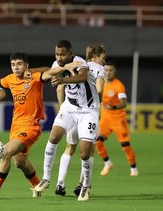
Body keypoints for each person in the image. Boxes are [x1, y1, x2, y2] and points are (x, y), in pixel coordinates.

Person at [0, 51, 81, 200]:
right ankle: (38, 185)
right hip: (16, 126)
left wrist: (65, 67)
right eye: (13, 64)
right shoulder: (10, 79)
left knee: (6, 152)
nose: (16, 67)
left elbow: (49, 71)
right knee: (20, 162)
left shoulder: (34, 77)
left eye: (19, 64)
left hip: (31, 127)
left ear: (26, 66)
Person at [34, 40, 100, 201]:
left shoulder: (80, 62)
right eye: (57, 54)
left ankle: (86, 186)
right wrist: (29, 71)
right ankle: (46, 178)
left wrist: (62, 80)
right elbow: (50, 70)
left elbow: (83, 76)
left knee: (84, 153)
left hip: (89, 110)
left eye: (63, 54)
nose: (59, 57)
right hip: (69, 107)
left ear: (70, 53)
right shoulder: (57, 63)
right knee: (53, 137)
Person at [53, 45, 106, 197]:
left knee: (69, 147)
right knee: (88, 151)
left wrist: (63, 107)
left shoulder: (72, 65)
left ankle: (60, 183)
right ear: (95, 57)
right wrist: (96, 102)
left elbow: (59, 89)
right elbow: (100, 90)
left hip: (70, 111)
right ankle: (82, 184)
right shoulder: (98, 69)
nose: (104, 60)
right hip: (88, 112)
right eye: (103, 57)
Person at [94, 63, 139, 177]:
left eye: (110, 70)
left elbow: (124, 103)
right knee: (97, 142)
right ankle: (107, 163)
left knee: (125, 146)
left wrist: (113, 107)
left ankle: (133, 168)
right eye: (106, 70)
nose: (108, 72)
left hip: (118, 120)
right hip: (105, 120)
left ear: (115, 72)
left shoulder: (118, 86)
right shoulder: (100, 83)